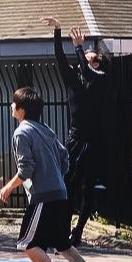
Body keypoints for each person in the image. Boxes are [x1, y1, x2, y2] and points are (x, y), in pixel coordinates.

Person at [0, 86, 111, 262]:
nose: (11, 106)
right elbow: (65, 157)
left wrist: (8, 187)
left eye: (14, 103)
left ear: (21, 109)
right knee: (62, 243)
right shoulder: (45, 129)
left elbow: (26, 169)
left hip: (44, 196)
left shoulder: (21, 132)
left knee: (28, 244)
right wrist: (56, 176)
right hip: (59, 193)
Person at [40, 17, 107, 245]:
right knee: (68, 183)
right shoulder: (73, 79)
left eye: (91, 61)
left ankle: (78, 230)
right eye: (84, 61)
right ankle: (63, 227)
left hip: (94, 140)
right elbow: (60, 58)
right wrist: (58, 31)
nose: (87, 64)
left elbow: (89, 73)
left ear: (97, 65)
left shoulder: (99, 79)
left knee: (88, 186)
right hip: (75, 138)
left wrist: (79, 48)